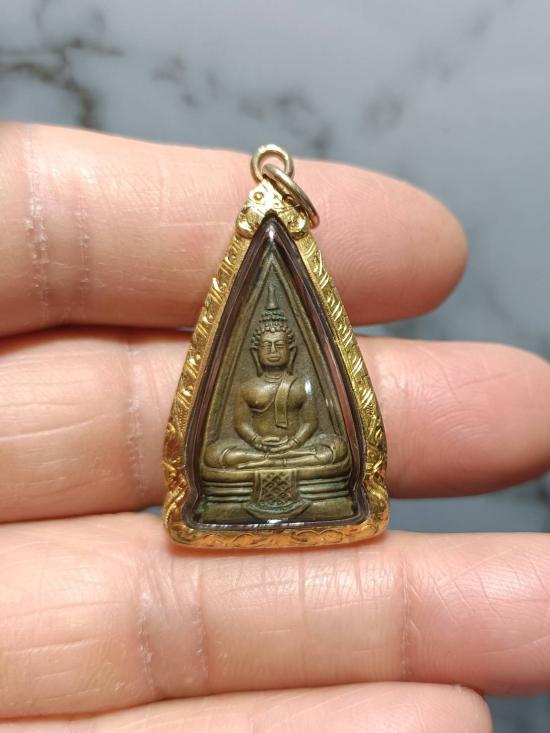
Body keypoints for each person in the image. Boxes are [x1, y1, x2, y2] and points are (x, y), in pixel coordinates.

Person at [0, 122, 549, 731]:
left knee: (332, 450)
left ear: (288, 348)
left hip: (300, 454)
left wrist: (292, 444)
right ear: (257, 351)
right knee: (219, 460)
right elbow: (235, 434)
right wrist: (259, 444)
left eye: (278, 346)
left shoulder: (298, 386)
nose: (270, 354)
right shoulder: (252, 388)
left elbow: (317, 435)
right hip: (249, 459)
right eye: (263, 347)